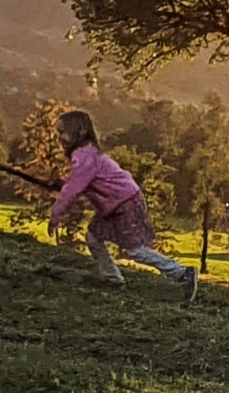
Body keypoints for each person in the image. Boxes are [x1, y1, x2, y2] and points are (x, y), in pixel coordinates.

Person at [45, 109, 196, 295]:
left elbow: (74, 189)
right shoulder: (86, 154)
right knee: (94, 237)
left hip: (125, 204)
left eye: (63, 132)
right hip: (114, 206)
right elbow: (81, 184)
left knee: (135, 251)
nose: (59, 138)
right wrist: (63, 184)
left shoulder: (85, 157)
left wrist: (56, 214)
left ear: (80, 131)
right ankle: (112, 280)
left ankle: (182, 273)